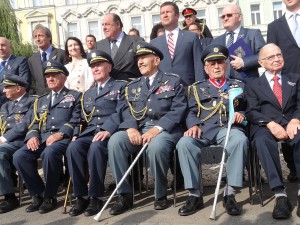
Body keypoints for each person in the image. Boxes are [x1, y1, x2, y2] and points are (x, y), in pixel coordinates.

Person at [107, 41, 186, 215]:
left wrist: (157, 128)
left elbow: (178, 110)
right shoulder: (132, 86)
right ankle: (125, 195)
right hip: (138, 129)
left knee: (156, 147)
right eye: (138, 59)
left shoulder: (173, 81)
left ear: (156, 60)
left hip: (166, 130)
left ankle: (160, 194)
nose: (140, 62)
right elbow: (125, 109)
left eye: (144, 58)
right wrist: (130, 128)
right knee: (115, 142)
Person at [176, 44, 248, 216]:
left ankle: (230, 193)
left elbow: (246, 108)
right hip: (203, 129)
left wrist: (241, 115)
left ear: (226, 65)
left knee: (240, 140)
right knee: (184, 143)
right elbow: (191, 111)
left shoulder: (237, 85)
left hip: (227, 127)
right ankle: (194, 194)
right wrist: (193, 125)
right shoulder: (196, 88)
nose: (216, 66)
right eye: (212, 63)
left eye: (220, 62)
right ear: (206, 68)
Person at [13, 61, 81, 214]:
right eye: (48, 76)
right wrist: (32, 136)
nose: (50, 78)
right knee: (19, 156)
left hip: (63, 139)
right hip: (42, 138)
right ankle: (38, 194)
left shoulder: (74, 96)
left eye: (54, 75)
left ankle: (50, 196)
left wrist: (61, 133)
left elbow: (76, 119)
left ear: (63, 77)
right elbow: (34, 122)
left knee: (49, 153)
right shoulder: (40, 99)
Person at [66, 50, 126, 217]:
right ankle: (81, 196)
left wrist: (108, 129)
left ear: (109, 67)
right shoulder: (88, 93)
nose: (95, 68)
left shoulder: (121, 86)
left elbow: (121, 112)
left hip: (110, 132)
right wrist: (77, 133)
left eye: (99, 65)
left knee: (96, 148)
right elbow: (81, 117)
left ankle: (96, 196)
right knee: (73, 148)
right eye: (92, 66)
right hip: (90, 131)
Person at [245, 43, 300, 219]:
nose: (276, 59)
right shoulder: (253, 85)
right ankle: (280, 194)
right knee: (261, 141)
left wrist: (296, 119)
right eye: (271, 57)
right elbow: (252, 111)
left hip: (292, 121)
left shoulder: (296, 78)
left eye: (279, 55)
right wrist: (269, 123)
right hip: (266, 126)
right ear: (261, 62)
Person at [267, 0, 300, 182]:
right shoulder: (274, 26)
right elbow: (271, 57)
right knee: (290, 122)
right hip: (289, 83)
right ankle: (293, 167)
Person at [0, 74, 36, 213]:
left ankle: (10, 198)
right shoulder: (6, 105)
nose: (4, 91)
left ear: (19, 88)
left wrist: (3, 139)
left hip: (23, 141)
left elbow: (24, 125)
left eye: (7, 87)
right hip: (7, 142)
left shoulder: (32, 102)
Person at [151, 1, 204, 86]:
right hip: (163, 92)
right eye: (162, 13)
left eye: (168, 12)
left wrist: (200, 89)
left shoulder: (191, 37)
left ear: (177, 15)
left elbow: (199, 66)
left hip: (188, 89)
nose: (165, 15)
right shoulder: (154, 43)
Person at [212, 4, 265, 82]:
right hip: (224, 87)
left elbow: (264, 57)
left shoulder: (252, 34)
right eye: (223, 16)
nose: (225, 18)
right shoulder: (216, 41)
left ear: (240, 17)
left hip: (248, 85)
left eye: (229, 15)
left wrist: (244, 62)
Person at [96, 13, 143, 81]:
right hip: (108, 88)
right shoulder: (99, 45)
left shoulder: (135, 41)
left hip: (130, 87)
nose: (104, 28)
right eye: (103, 25)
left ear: (118, 24)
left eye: (107, 24)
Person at [28, 24, 65, 95]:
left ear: (49, 37)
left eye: (40, 36)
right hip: (41, 98)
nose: (37, 39)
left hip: (60, 96)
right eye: (35, 37)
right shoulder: (31, 60)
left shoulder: (61, 54)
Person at [0, 37, 31, 106]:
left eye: (3, 45)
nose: (0, 48)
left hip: (13, 104)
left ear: (10, 47)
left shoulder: (20, 61)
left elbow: (24, 83)